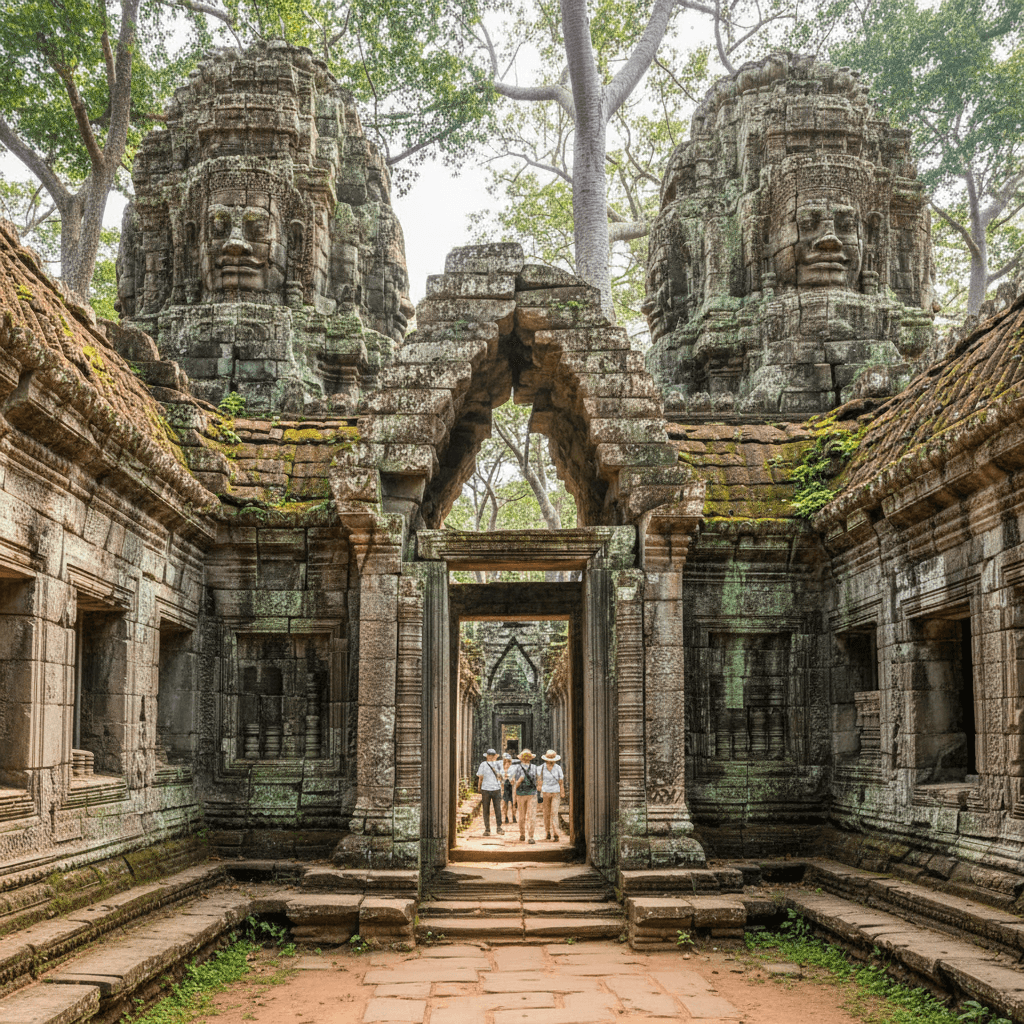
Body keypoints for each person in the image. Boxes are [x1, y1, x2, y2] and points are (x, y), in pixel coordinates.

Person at [509, 749, 539, 843]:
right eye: (524, 757)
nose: (526, 759)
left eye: (527, 757)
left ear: (530, 758)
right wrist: (514, 781)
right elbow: (511, 778)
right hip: (520, 794)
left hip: (532, 793)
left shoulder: (534, 767)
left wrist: (539, 786)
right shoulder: (516, 768)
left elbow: (539, 779)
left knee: (532, 815)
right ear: (521, 758)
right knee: (521, 816)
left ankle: (531, 836)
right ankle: (522, 833)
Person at [476, 748, 504, 836]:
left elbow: (480, 778)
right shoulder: (499, 764)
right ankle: (499, 828)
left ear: (487, 756)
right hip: (496, 788)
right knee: (497, 809)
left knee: (486, 809)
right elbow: (502, 777)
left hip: (486, 789)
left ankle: (487, 829)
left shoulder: (483, 764)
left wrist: (479, 787)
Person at [538, 749, 565, 841]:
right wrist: (539, 787)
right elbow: (539, 780)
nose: (551, 762)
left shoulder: (558, 768)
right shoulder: (541, 768)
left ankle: (556, 833)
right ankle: (547, 832)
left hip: (555, 792)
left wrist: (562, 791)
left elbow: (561, 781)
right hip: (545, 792)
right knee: (546, 813)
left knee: (554, 813)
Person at [501, 751, 517, 824]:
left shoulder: (513, 768)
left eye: (508, 761)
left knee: (513, 802)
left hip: (512, 786)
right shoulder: (502, 769)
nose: (507, 763)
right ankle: (506, 816)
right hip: (504, 787)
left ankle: (514, 816)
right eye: (506, 761)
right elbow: (500, 777)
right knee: (505, 803)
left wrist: (510, 777)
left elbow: (514, 776)